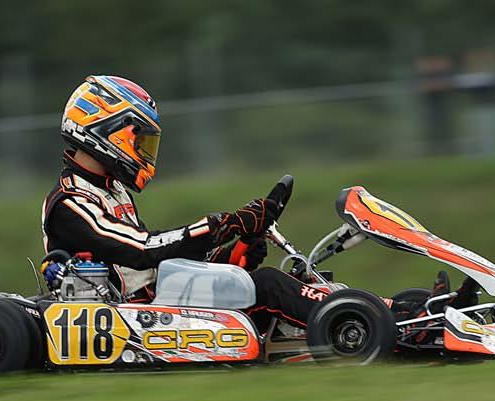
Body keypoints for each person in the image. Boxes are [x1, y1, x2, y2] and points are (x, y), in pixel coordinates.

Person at [42, 74, 329, 331]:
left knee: (250, 279)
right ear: (107, 130)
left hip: (156, 302)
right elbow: (141, 250)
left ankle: (349, 310)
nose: (144, 151)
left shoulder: (112, 189)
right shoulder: (70, 201)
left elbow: (154, 265)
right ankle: (351, 317)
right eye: (139, 139)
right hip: (126, 317)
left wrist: (234, 252)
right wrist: (220, 226)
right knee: (268, 284)